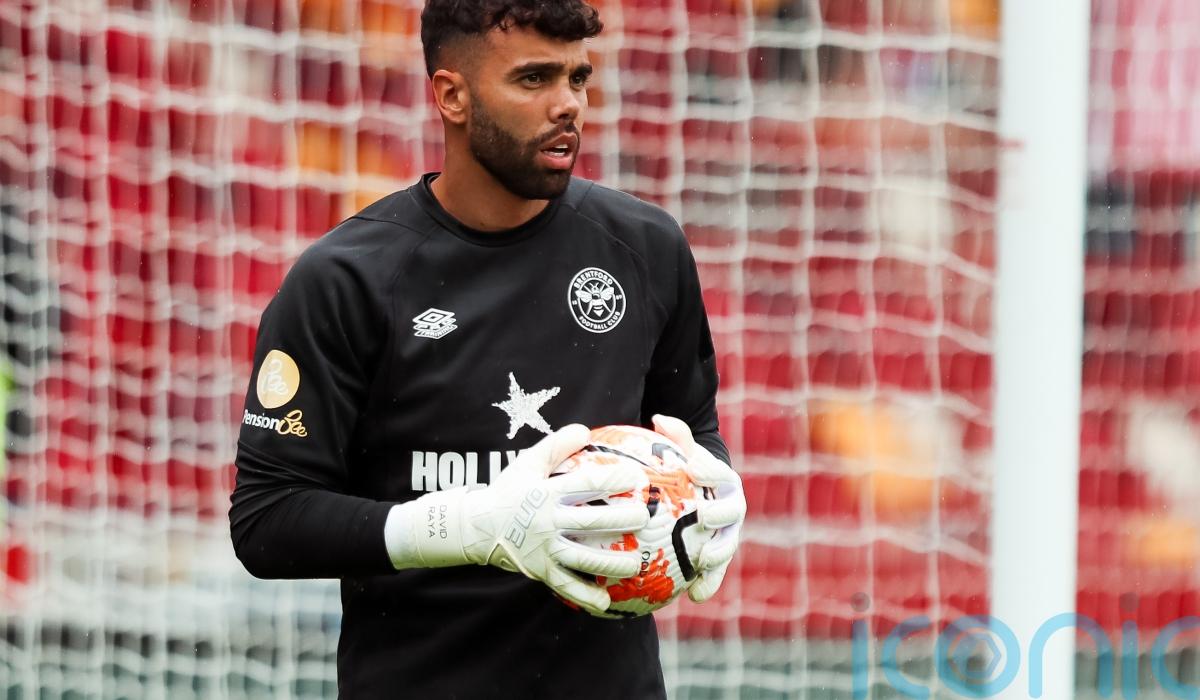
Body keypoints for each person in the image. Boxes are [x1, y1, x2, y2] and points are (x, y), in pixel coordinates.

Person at [229, 0, 746, 696]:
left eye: (578, 78)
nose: (568, 105)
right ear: (452, 96)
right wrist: (469, 525)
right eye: (534, 79)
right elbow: (267, 522)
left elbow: (693, 427)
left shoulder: (647, 249)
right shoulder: (347, 279)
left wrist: (715, 490)